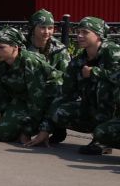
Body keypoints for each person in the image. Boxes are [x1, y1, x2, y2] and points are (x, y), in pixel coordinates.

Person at [37, 16, 120, 153]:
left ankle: (102, 141)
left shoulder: (113, 52)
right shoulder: (78, 61)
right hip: (92, 110)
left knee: (103, 85)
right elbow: (65, 93)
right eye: (78, 32)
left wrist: (95, 72)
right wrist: (46, 128)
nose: (80, 36)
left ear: (98, 34)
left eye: (85, 32)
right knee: (58, 109)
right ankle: (59, 133)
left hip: (115, 113)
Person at [0, 28, 58, 144]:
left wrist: (26, 131)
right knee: (0, 133)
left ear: (15, 47)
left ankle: (54, 128)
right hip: (25, 99)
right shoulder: (1, 65)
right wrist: (6, 119)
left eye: (1, 47)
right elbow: (2, 98)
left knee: (11, 132)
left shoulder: (30, 62)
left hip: (50, 100)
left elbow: (38, 100)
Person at [26, 9, 71, 74]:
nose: (46, 32)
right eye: (42, 27)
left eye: (50, 28)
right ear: (33, 28)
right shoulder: (23, 45)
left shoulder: (59, 49)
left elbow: (66, 76)